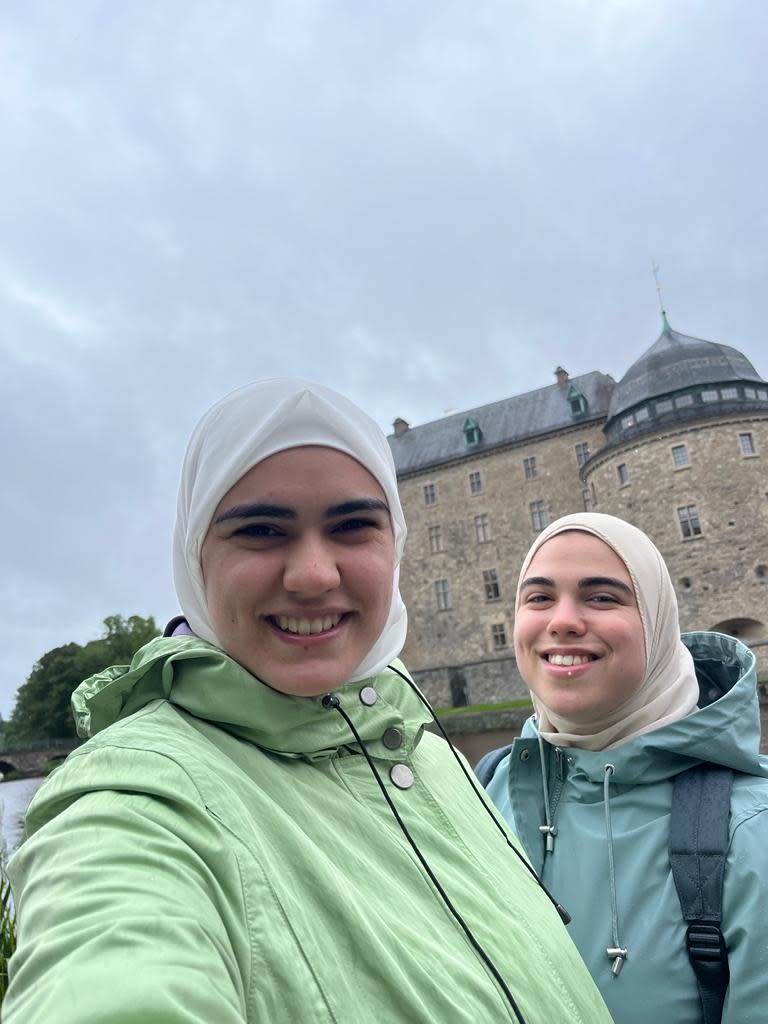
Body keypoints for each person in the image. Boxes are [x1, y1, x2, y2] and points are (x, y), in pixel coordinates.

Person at [4, 380, 612, 1024]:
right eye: (262, 531)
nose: (315, 576)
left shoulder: (427, 753)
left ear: (395, 544)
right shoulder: (136, 801)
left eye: (353, 526)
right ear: (195, 558)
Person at [482, 512, 768, 1024]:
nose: (563, 620)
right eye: (540, 597)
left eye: (602, 597)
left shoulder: (752, 832)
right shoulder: (482, 789)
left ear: (657, 625)